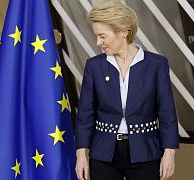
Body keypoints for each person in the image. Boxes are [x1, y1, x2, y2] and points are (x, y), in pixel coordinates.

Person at [75, 1, 179, 180]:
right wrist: (81, 155)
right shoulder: (94, 66)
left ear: (124, 31)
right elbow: (85, 115)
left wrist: (169, 153)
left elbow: (167, 113)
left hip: (145, 150)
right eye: (97, 36)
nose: (98, 42)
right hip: (103, 153)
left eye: (103, 36)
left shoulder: (157, 65)